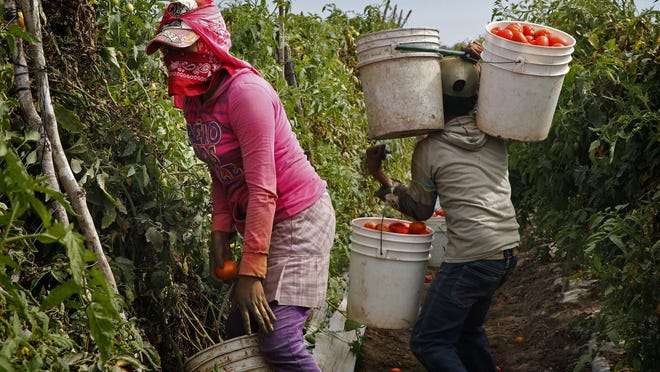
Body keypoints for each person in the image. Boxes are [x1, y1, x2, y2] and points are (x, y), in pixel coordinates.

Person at [146, 1, 336, 370]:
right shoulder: (194, 100)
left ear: (210, 43)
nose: (173, 59)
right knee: (241, 326)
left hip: (298, 217)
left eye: (183, 48)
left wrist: (251, 271)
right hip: (259, 221)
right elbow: (221, 168)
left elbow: (264, 188)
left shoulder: (246, 95)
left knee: (278, 339)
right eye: (168, 50)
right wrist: (220, 230)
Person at [365, 43, 520, 371]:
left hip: (472, 258)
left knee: (429, 340)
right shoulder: (496, 136)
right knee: (467, 331)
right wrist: (483, 61)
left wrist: (378, 174)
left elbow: (421, 211)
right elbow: (503, 94)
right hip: (506, 252)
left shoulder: (429, 150)